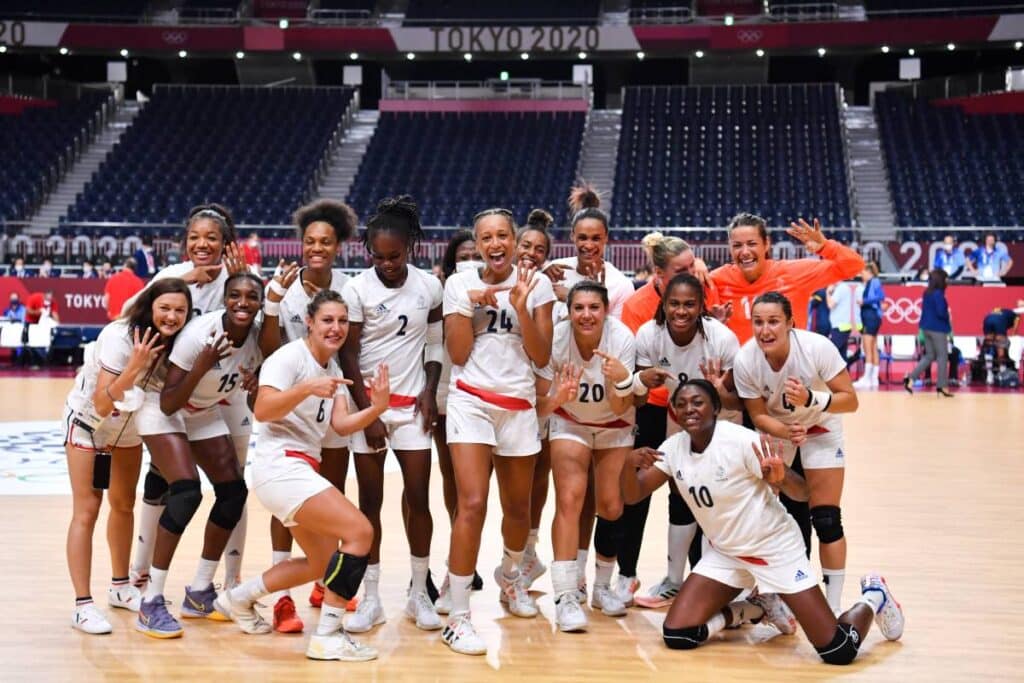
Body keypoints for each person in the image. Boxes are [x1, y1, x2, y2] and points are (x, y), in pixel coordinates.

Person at [621, 379, 905, 665]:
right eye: (680, 404)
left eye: (697, 402)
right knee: (677, 634)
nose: (688, 410)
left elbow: (802, 492)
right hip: (727, 552)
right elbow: (633, 496)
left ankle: (874, 597)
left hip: (775, 548)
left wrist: (780, 478)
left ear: (716, 408)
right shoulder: (673, 449)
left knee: (837, 651)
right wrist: (627, 464)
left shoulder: (741, 441)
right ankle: (753, 608)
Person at [215, 290, 391, 663]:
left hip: (296, 469)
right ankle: (328, 634)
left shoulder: (334, 371)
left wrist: (376, 408)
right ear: (310, 322)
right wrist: (306, 388)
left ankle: (237, 599)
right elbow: (262, 409)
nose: (336, 328)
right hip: (280, 466)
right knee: (360, 532)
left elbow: (341, 426)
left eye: (342, 321)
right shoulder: (289, 358)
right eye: (327, 320)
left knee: (321, 563)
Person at [439, 207, 555, 655]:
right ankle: (459, 615)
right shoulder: (458, 284)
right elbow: (459, 353)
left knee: (519, 512)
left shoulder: (538, 284)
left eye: (502, 235)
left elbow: (541, 354)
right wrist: (472, 304)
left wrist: (521, 307)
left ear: (514, 238)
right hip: (471, 401)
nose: (495, 244)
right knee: (471, 503)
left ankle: (510, 578)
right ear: (479, 243)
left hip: (520, 405)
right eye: (486, 237)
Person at [127, 205, 253, 600]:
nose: (203, 244)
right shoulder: (170, 277)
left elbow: (258, 323)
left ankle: (229, 579)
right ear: (185, 242)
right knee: (166, 480)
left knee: (234, 483)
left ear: (225, 244)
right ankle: (139, 573)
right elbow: (127, 315)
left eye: (212, 238)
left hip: (221, 394)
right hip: (168, 389)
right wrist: (188, 277)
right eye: (195, 237)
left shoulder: (239, 281)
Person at [136, 273, 265, 636]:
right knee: (187, 491)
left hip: (203, 410)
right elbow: (168, 401)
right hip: (164, 407)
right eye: (235, 295)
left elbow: (255, 400)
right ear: (224, 299)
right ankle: (151, 600)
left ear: (260, 303)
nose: (242, 302)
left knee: (234, 493)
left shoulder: (256, 339)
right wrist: (202, 365)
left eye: (251, 297)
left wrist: (253, 390)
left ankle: (200, 590)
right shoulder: (199, 334)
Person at [62, 279, 191, 634]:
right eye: (165, 308)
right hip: (90, 423)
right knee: (87, 510)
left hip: (127, 429)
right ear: (150, 306)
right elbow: (103, 403)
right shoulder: (121, 337)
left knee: (123, 504)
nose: (172, 315)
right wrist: (135, 366)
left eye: (180, 310)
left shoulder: (178, 342)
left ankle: (121, 586)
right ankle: (81, 605)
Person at [339, 196, 444, 633]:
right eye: (378, 256)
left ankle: (419, 591)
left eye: (394, 256)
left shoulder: (429, 287)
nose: (386, 264)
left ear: (411, 248)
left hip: (412, 407)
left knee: (419, 499)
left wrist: (431, 391)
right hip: (371, 410)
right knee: (370, 503)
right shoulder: (357, 289)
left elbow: (436, 346)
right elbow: (348, 354)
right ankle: (371, 597)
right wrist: (369, 411)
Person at [261, 198, 359, 631]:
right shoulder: (285, 288)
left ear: (339, 247)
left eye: (325, 242)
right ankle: (282, 598)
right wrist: (271, 302)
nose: (316, 248)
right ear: (301, 244)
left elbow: (349, 350)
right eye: (309, 241)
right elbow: (270, 350)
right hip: (289, 402)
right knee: (287, 505)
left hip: (330, 397)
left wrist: (366, 403)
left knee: (328, 492)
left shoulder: (349, 288)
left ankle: (324, 579)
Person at [733, 292, 859, 613]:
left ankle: (831, 607)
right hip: (779, 431)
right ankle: (786, 596)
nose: (765, 330)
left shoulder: (817, 347)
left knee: (827, 519)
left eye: (773, 321)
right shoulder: (747, 359)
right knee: (783, 516)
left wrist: (811, 400)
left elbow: (849, 400)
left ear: (790, 323)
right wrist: (786, 431)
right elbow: (758, 414)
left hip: (820, 426)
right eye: (758, 322)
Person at [630, 273, 742, 609]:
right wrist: (641, 382)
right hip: (678, 419)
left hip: (721, 421)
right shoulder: (649, 335)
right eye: (674, 303)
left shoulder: (721, 338)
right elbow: (637, 400)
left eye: (689, 304)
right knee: (679, 493)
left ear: (701, 306)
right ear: (663, 305)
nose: (681, 311)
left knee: (718, 498)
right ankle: (673, 581)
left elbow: (739, 400)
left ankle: (724, 580)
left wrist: (719, 391)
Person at [608, 231, 704, 608]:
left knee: (691, 494)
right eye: (683, 268)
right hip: (649, 409)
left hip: (691, 411)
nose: (693, 271)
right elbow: (636, 370)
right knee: (637, 494)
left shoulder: (699, 291)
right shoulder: (636, 307)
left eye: (694, 264)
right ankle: (626, 575)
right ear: (659, 275)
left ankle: (692, 579)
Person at [535, 281, 636, 632]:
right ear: (569, 310)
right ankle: (565, 595)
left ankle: (601, 588)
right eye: (579, 307)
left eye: (594, 307)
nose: (586, 314)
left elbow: (624, 405)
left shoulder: (622, 338)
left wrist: (620, 383)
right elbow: (541, 408)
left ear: (606, 310)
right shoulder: (557, 339)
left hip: (615, 423)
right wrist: (558, 397)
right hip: (570, 421)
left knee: (611, 506)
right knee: (570, 499)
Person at [708, 214, 865, 345]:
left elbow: (855, 266)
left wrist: (825, 247)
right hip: (740, 375)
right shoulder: (717, 280)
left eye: (752, 244)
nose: (745, 252)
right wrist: (695, 265)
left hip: (789, 374)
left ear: (766, 244)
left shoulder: (794, 273)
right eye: (737, 246)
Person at [432, 229, 485, 594]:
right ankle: (458, 562)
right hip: (447, 391)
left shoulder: (499, 290)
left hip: (492, 395)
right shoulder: (442, 293)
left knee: (483, 492)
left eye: (474, 254)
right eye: (463, 256)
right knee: (455, 483)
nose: (470, 260)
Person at [545, 185, 634, 321]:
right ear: (572, 237)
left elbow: (616, 336)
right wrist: (540, 279)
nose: (589, 245)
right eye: (582, 238)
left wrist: (573, 298)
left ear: (606, 238)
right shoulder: (555, 271)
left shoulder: (621, 284)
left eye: (596, 238)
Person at [904, 269, 954, 397]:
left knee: (929, 356)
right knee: (942, 357)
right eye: (946, 278)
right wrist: (947, 316)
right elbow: (941, 312)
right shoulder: (939, 294)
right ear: (941, 280)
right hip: (938, 329)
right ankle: (942, 386)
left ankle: (910, 378)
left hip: (925, 328)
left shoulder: (927, 293)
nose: (947, 281)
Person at [853, 263, 885, 390]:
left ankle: (867, 378)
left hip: (871, 318)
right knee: (873, 348)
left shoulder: (875, 281)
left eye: (863, 273)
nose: (861, 275)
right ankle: (874, 379)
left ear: (869, 273)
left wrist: (864, 301)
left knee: (867, 348)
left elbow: (881, 296)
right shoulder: (870, 283)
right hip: (871, 317)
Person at [826, 280, 863, 364]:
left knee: (832, 353)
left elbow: (830, 305)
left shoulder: (841, 288)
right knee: (842, 356)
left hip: (840, 326)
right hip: (848, 325)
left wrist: (827, 292)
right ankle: (845, 375)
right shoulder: (852, 287)